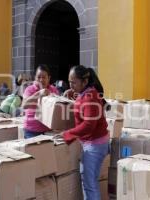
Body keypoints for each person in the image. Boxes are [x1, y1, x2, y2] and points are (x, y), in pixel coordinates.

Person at [60, 65, 109, 200]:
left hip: (95, 145)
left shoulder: (90, 97)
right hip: (93, 143)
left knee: (89, 184)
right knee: (90, 181)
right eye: (69, 82)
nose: (71, 85)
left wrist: (68, 134)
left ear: (84, 82)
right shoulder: (86, 93)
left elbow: (88, 125)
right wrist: (74, 95)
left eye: (74, 82)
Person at [22, 65, 59, 139]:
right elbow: (24, 105)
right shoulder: (29, 89)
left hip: (49, 131)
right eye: (39, 77)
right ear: (35, 78)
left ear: (49, 78)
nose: (41, 80)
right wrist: (38, 93)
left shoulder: (54, 90)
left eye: (44, 77)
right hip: (32, 130)